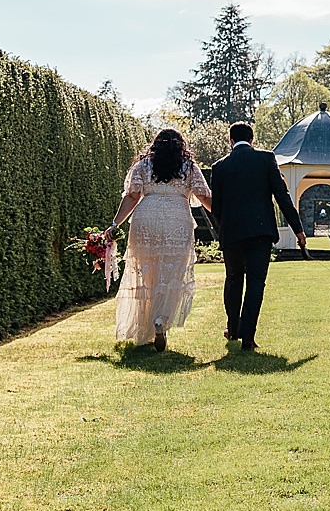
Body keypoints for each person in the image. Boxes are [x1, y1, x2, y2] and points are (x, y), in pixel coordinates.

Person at [106, 128, 212, 352]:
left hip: (146, 219)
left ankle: (147, 325)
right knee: (172, 273)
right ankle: (160, 320)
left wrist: (115, 224)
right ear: (180, 145)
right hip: (177, 220)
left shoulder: (143, 166)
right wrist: (225, 215)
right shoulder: (188, 167)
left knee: (146, 273)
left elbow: (132, 195)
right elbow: (203, 196)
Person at [210, 121, 307, 350]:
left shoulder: (219, 167)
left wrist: (224, 228)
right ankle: (248, 337)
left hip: (232, 233)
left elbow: (217, 208)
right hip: (260, 232)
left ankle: (233, 329)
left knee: (234, 279)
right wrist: (298, 229)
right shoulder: (266, 159)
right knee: (256, 283)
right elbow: (282, 196)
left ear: (230, 141)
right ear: (252, 140)